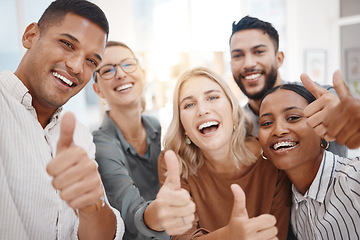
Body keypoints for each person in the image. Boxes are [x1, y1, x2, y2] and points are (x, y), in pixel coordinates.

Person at [0, 0, 124, 239]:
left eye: (91, 61)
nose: (77, 66)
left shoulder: (79, 134)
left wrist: (91, 206)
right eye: (67, 44)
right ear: (30, 36)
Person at [159, 67, 292, 239]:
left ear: (233, 111)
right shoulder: (174, 163)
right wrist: (230, 235)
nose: (202, 110)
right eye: (189, 104)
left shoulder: (271, 158)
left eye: (212, 97)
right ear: (183, 128)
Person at [229, 15, 347, 157]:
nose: (248, 63)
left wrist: (343, 112)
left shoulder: (316, 97)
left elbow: (340, 107)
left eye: (259, 52)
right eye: (237, 55)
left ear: (279, 59)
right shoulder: (235, 125)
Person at [258, 83, 360, 240]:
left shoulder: (352, 178)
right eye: (266, 123)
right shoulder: (292, 205)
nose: (278, 130)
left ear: (322, 127)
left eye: (293, 117)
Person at [92, 41, 168, 239]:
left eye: (127, 64)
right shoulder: (100, 145)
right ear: (97, 89)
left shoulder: (157, 127)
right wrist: (167, 214)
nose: (120, 74)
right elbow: (132, 216)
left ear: (142, 74)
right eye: (108, 70)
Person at [301, 70, 360, 149]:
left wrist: (342, 113)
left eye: (293, 118)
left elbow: (339, 103)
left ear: (280, 59)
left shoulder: (322, 93)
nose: (279, 130)